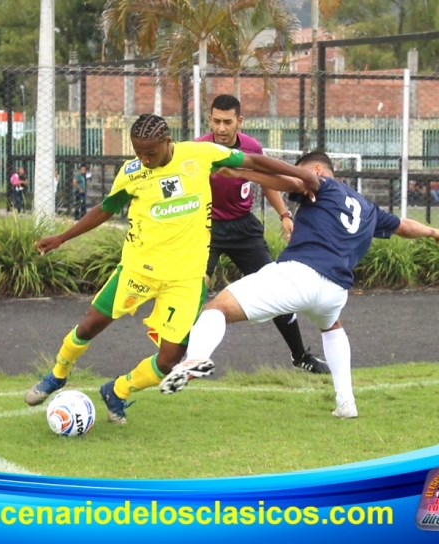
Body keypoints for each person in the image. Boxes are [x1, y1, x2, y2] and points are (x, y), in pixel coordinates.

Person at [23, 114, 320, 424]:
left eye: (150, 152)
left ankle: (118, 390)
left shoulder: (200, 154)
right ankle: (58, 375)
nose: (145, 159)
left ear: (168, 142)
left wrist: (303, 176)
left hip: (185, 279)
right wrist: (61, 237)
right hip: (137, 271)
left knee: (169, 361)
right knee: (88, 327)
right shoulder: (132, 173)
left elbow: (255, 161)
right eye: (139, 152)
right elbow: (104, 210)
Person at [158, 151, 439, 419]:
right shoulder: (369, 209)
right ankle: (346, 402)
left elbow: (293, 180)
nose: (301, 180)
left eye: (304, 173)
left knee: (217, 308)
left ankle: (195, 358)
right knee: (332, 326)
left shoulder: (323, 185)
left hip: (300, 276)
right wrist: (433, 231)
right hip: (335, 291)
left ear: (319, 169)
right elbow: (405, 226)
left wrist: (243, 172)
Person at [193, 94, 328, 374]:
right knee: (195, 291)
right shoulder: (197, 149)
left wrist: (285, 214)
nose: (221, 127)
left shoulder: (252, 148)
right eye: (216, 121)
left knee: (277, 291)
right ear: (210, 120)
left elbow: (268, 183)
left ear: (239, 121)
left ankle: (300, 356)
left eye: (227, 122)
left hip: (244, 228)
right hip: (206, 229)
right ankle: (186, 360)